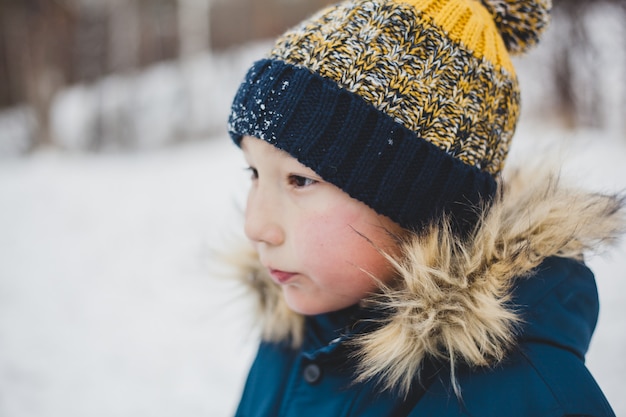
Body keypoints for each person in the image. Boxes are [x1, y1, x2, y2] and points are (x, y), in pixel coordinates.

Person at [225, 0, 624, 415]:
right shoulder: (292, 336)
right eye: (253, 172)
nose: (256, 225)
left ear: (417, 205)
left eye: (301, 180)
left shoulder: (520, 394)